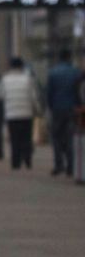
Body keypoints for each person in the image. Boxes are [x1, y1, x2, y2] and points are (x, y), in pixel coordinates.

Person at [0, 56, 40, 171]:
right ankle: (27, 160)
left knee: (14, 140)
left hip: (11, 115)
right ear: (22, 67)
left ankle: (15, 162)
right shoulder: (28, 79)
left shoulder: (5, 79)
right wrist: (37, 110)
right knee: (26, 139)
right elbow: (34, 97)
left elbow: (0, 95)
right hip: (26, 114)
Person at [46, 48, 77, 177]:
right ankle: (71, 166)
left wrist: (50, 107)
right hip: (73, 109)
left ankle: (59, 165)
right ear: (70, 57)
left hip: (57, 109)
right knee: (71, 137)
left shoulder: (53, 73)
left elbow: (49, 93)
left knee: (56, 137)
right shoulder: (77, 72)